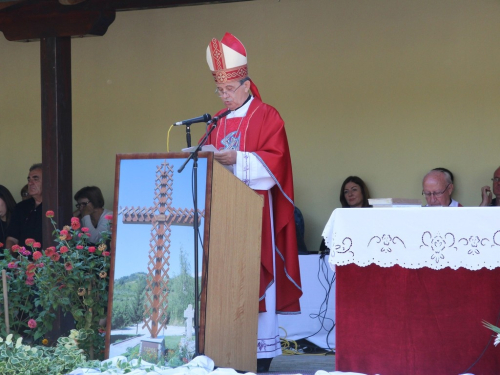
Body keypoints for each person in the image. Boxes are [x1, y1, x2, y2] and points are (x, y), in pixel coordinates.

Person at [204, 32, 302, 371]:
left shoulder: (267, 116)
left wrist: (237, 160)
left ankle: (258, 359)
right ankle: (225, 351)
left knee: (255, 281)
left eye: (229, 89)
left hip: (255, 215)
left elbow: (277, 165)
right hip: (223, 218)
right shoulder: (215, 121)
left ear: (246, 85)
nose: (224, 96)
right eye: (220, 90)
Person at [319, 176, 371, 254]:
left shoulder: (373, 215)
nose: (350, 194)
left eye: (354, 189)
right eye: (346, 191)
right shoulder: (339, 217)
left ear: (363, 192)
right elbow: (324, 246)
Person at [6, 163, 43, 250]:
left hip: (46, 262)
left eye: (35, 179)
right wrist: (11, 259)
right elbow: (12, 238)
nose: (30, 183)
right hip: (21, 261)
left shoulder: (54, 206)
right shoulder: (21, 207)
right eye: (29, 179)